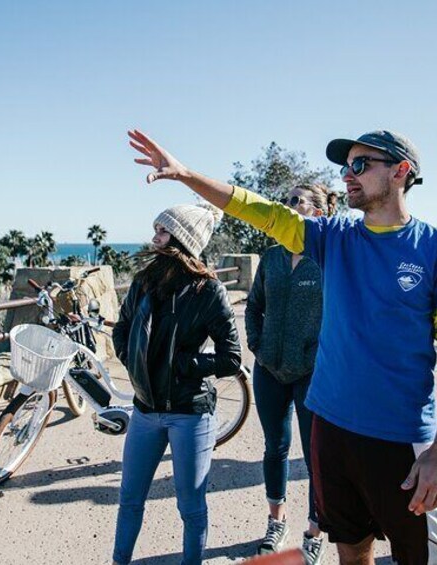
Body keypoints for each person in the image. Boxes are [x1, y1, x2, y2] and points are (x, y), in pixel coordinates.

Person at [129, 128, 437, 565]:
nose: (348, 175)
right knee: (351, 550)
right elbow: (262, 212)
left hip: (404, 439)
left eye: (360, 165)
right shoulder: (335, 237)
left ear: (401, 172)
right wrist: (185, 175)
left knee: (425, 559)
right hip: (331, 430)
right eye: (345, 166)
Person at [110, 203, 241, 565]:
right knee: (130, 498)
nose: (155, 238)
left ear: (183, 239)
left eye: (163, 231)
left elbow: (231, 358)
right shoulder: (143, 281)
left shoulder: (209, 291)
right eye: (157, 229)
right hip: (144, 411)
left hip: (190, 414)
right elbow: (121, 330)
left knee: (191, 507)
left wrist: (182, 364)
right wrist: (133, 359)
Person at [246, 183, 336, 562]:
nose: (288, 206)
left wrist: (317, 356)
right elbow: (254, 306)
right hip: (268, 369)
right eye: (287, 200)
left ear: (317, 212)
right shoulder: (272, 257)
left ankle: (314, 532)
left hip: (311, 374)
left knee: (315, 454)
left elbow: (340, 314)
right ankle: (275, 521)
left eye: (296, 201)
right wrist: (257, 345)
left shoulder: (329, 259)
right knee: (275, 448)